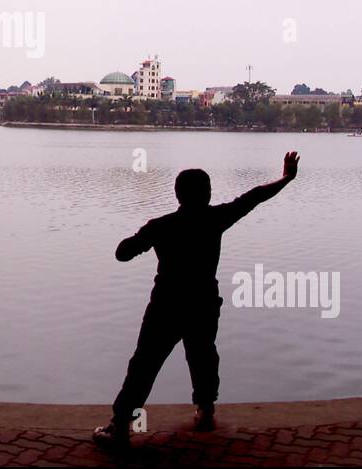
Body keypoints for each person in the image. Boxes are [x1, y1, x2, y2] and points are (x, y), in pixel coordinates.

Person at [94, 151, 300, 449]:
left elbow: (122, 253)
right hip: (203, 304)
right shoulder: (215, 219)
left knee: (144, 365)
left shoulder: (161, 226)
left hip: (166, 307)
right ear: (208, 194)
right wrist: (286, 178)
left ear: (177, 195)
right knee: (203, 358)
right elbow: (253, 197)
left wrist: (138, 240)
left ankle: (121, 425)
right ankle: (205, 411)